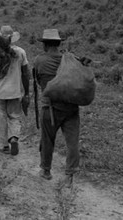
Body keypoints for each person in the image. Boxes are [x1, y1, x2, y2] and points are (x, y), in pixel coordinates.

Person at [33, 29, 80, 188]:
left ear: (45, 44)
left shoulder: (40, 60)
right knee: (72, 142)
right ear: (59, 44)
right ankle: (70, 176)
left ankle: (46, 171)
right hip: (71, 107)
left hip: (50, 107)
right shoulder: (70, 59)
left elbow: (39, 81)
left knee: (47, 139)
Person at [0, 25, 30, 156]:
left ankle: (4, 146)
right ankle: (14, 138)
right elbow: (25, 73)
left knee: (1, 118)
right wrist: (26, 92)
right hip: (14, 91)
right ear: (12, 38)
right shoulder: (21, 52)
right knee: (14, 116)